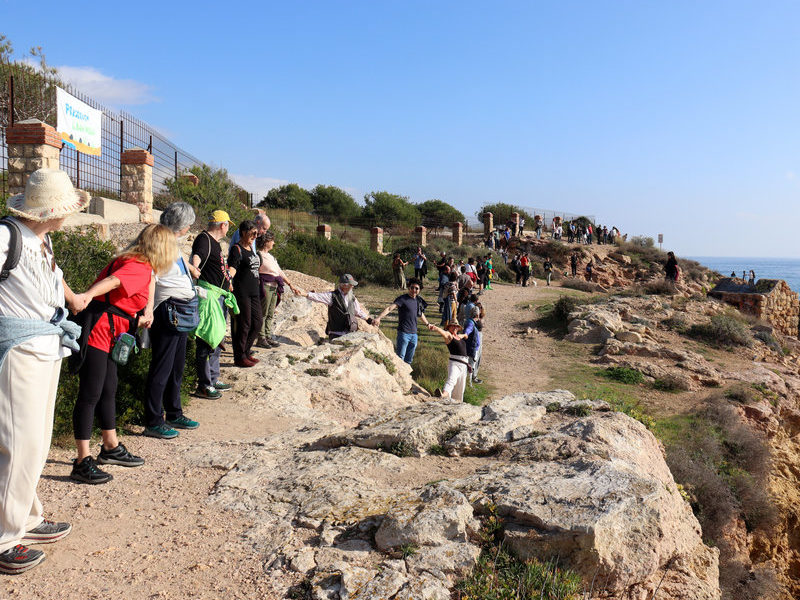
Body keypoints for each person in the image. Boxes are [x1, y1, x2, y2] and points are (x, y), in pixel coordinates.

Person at [0, 169, 86, 572]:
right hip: (20, 351)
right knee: (19, 445)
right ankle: (4, 536)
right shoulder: (6, 236)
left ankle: (26, 518)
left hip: (45, 349)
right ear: (53, 210)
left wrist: (72, 299)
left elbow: (54, 280)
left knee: (36, 443)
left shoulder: (40, 238)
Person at [70, 224, 177, 485]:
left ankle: (110, 446)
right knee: (91, 392)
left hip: (111, 332)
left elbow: (148, 284)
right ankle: (82, 462)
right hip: (99, 329)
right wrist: (85, 296)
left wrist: (147, 312)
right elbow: (114, 282)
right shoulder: (138, 266)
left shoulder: (142, 265)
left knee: (109, 388)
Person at [143, 202, 201, 440]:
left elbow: (174, 265)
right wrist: (148, 310)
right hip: (168, 312)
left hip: (181, 311)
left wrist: (189, 267)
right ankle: (153, 420)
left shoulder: (171, 243)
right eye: (189, 224)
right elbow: (150, 275)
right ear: (183, 227)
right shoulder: (159, 241)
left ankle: (174, 412)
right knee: (162, 368)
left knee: (176, 367)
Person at [191, 210, 238, 399]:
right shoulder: (204, 239)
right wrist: (194, 268)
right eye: (227, 225)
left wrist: (228, 281)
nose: (228, 228)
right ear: (222, 225)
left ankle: (213, 377)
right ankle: (204, 384)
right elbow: (197, 256)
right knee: (206, 339)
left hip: (220, 296)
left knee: (217, 338)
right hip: (210, 297)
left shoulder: (215, 243)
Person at [255, 231, 301, 348]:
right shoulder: (258, 255)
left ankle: (268, 336)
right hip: (264, 287)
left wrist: (291, 284)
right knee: (263, 313)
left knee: (270, 313)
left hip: (274, 287)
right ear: (266, 242)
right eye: (272, 241)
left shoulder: (271, 257)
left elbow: (279, 272)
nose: (274, 243)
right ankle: (261, 338)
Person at [228, 220, 263, 368]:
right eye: (252, 233)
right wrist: (228, 279)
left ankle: (246, 352)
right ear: (243, 232)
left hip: (254, 291)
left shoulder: (251, 249)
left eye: (257, 233)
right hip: (242, 292)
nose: (255, 236)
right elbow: (232, 267)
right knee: (244, 324)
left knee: (257, 323)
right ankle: (240, 356)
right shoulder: (237, 249)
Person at [374, 278, 430, 364]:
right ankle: (397, 377)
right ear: (408, 287)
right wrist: (379, 318)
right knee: (400, 358)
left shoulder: (418, 300)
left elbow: (420, 314)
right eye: (412, 287)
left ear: (420, 290)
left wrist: (427, 324)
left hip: (414, 335)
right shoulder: (402, 299)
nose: (414, 290)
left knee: (409, 360)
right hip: (403, 334)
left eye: (416, 288)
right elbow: (389, 308)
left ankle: (406, 377)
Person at [303, 274, 373, 339]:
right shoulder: (332, 296)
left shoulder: (352, 297)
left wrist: (369, 320)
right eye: (351, 285)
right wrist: (304, 294)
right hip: (336, 334)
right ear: (344, 286)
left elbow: (358, 311)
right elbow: (317, 296)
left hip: (349, 334)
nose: (352, 287)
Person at [428, 320, 470, 402]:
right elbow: (442, 332)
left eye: (456, 326)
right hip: (455, 363)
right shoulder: (449, 336)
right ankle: (443, 395)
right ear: (449, 328)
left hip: (464, 365)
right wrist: (435, 328)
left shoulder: (458, 336)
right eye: (452, 326)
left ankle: (457, 405)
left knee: (460, 389)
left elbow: (462, 336)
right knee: (451, 380)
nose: (454, 328)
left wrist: (465, 335)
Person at [464, 305, 483, 386]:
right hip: (471, 349)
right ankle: (469, 385)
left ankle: (468, 383)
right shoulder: (471, 323)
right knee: (470, 367)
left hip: (472, 348)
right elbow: (468, 330)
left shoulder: (471, 321)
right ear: (477, 315)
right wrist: (465, 334)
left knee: (470, 367)